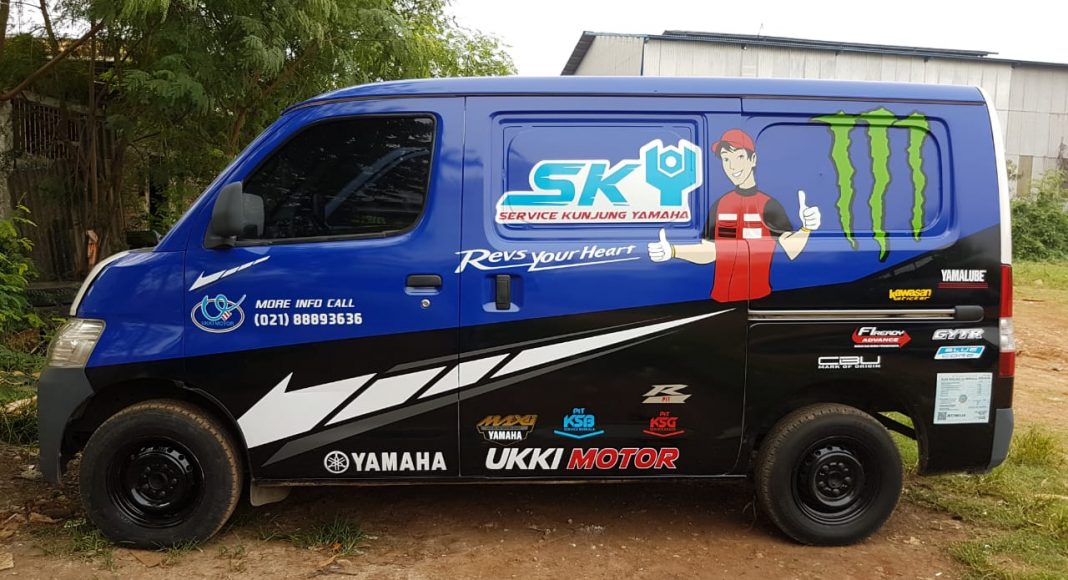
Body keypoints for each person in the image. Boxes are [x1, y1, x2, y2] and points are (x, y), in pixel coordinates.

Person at [647, 129, 821, 302]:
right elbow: (711, 252)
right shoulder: (720, 204)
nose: (732, 166)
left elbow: (791, 249)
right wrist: (673, 251)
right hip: (720, 301)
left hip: (758, 301)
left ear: (753, 159)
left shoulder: (769, 205)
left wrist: (807, 227)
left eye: (739, 157)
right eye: (726, 159)